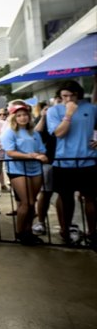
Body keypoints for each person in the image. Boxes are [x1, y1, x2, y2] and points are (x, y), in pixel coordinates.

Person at [46, 80, 97, 247]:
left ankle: (92, 232)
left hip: (88, 160)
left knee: (91, 198)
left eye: (71, 95)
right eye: (64, 96)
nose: (67, 98)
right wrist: (68, 114)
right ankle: (65, 230)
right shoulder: (54, 111)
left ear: (78, 94)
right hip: (64, 162)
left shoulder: (91, 108)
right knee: (66, 199)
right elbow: (59, 134)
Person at [0, 103, 48, 245]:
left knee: (33, 203)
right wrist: (32, 156)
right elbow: (10, 152)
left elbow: (41, 150)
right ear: (14, 117)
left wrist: (40, 156)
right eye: (19, 115)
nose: (22, 118)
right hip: (17, 169)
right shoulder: (9, 132)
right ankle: (20, 233)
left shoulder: (35, 133)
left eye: (25, 115)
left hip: (35, 169)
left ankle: (29, 232)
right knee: (26, 203)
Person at [31, 100, 57, 235]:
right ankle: (41, 222)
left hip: (63, 161)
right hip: (47, 162)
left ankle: (68, 225)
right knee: (46, 193)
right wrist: (44, 116)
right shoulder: (42, 119)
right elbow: (37, 131)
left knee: (64, 195)